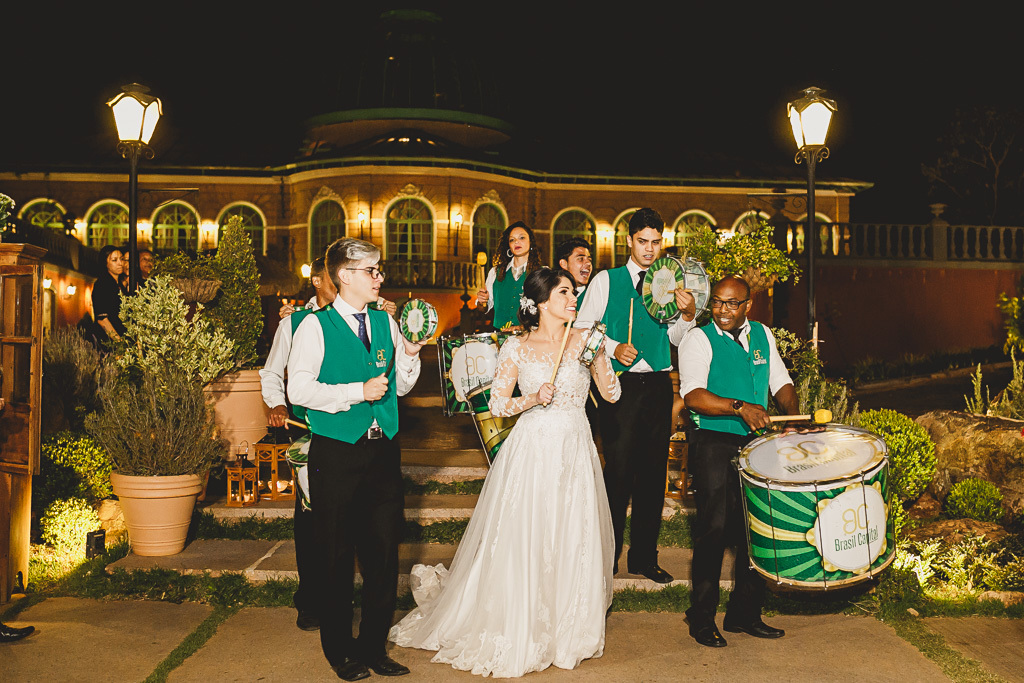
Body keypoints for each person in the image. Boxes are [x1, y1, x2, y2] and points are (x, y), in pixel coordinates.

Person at [390, 267, 620, 678]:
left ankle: (568, 630)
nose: (574, 298)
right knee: (528, 535)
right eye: (565, 292)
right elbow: (496, 406)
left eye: (573, 292)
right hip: (532, 451)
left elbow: (610, 394)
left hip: (575, 450)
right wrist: (532, 398)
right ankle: (523, 622)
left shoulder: (585, 340)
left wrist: (603, 360)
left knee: (572, 533)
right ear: (540, 302)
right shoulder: (516, 346)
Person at [288, 237, 426, 681]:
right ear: (344, 275)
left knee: (384, 554)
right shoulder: (312, 326)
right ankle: (339, 650)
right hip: (337, 453)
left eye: (379, 270)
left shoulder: (386, 322)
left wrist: (410, 354)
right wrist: (355, 393)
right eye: (372, 271)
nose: (380, 278)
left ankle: (373, 646)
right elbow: (298, 391)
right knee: (335, 555)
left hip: (383, 451)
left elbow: (401, 387)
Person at [575, 208, 696, 583]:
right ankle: (606, 559)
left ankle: (644, 557)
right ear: (629, 241)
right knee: (620, 474)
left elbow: (676, 339)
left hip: (659, 384)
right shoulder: (605, 281)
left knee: (653, 474)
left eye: (656, 242)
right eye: (642, 241)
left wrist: (688, 316)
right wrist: (612, 347)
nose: (649, 249)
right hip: (621, 388)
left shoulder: (668, 281)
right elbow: (580, 330)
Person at [678, 275, 797, 648]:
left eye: (732, 304)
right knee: (713, 529)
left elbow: (780, 381)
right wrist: (739, 406)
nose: (722, 310)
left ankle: (744, 614)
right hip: (714, 441)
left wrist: (792, 419)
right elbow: (693, 395)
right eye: (717, 302)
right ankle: (701, 618)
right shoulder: (697, 338)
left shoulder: (762, 334)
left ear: (748, 306)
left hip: (759, 445)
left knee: (756, 530)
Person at [259, 256, 336, 632]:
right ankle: (310, 600)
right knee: (309, 516)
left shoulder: (358, 318)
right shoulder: (293, 322)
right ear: (319, 281)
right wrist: (276, 403)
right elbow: (272, 371)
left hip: (346, 426)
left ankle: (338, 597)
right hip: (305, 426)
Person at [475, 221, 542, 331]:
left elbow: (548, 311)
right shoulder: (495, 272)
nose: (516, 242)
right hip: (500, 336)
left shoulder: (542, 273)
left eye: (522, 238)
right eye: (512, 240)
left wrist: (523, 327)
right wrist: (482, 302)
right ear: (508, 246)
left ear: (531, 242)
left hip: (530, 336)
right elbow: (484, 308)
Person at [91, 245, 128, 342]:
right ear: (105, 263)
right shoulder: (102, 285)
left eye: (122, 259)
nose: (120, 263)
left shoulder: (119, 285)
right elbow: (102, 319)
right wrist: (119, 343)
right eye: (114, 260)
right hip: (109, 341)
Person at [555, 236, 593, 306]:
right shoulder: (553, 296)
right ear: (564, 264)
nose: (588, 263)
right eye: (580, 259)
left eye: (589, 260)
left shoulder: (594, 298)